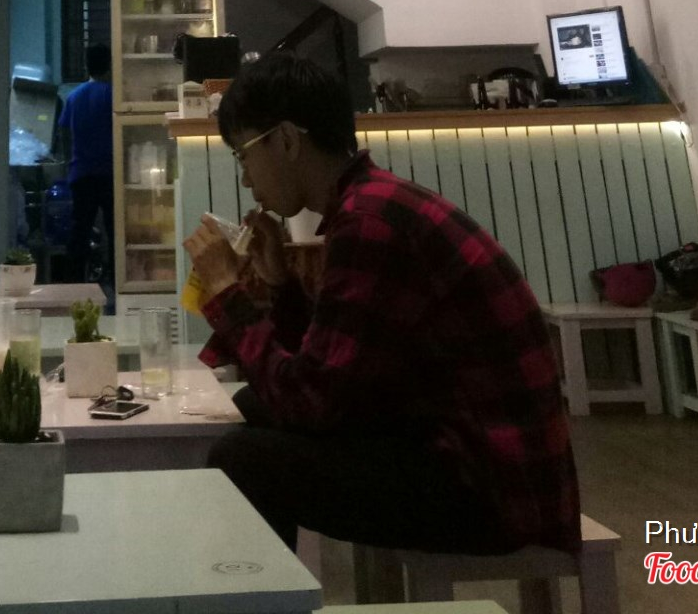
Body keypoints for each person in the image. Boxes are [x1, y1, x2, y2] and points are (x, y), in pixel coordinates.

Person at [183, 52, 578, 560]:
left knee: (243, 458)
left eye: (243, 156)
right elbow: (329, 373)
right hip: (461, 448)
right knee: (252, 405)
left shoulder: (370, 222)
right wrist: (280, 282)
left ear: (286, 140)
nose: (245, 179)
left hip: (490, 487)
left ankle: (259, 592)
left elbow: (309, 401)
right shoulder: (370, 203)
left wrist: (224, 291)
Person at [56, 43, 114, 284]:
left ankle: (74, 283)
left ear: (86, 66)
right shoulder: (113, 95)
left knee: (80, 230)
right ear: (110, 65)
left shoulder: (74, 97)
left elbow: (64, 133)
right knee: (115, 230)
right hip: (110, 173)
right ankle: (116, 280)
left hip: (81, 173)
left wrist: (69, 163)